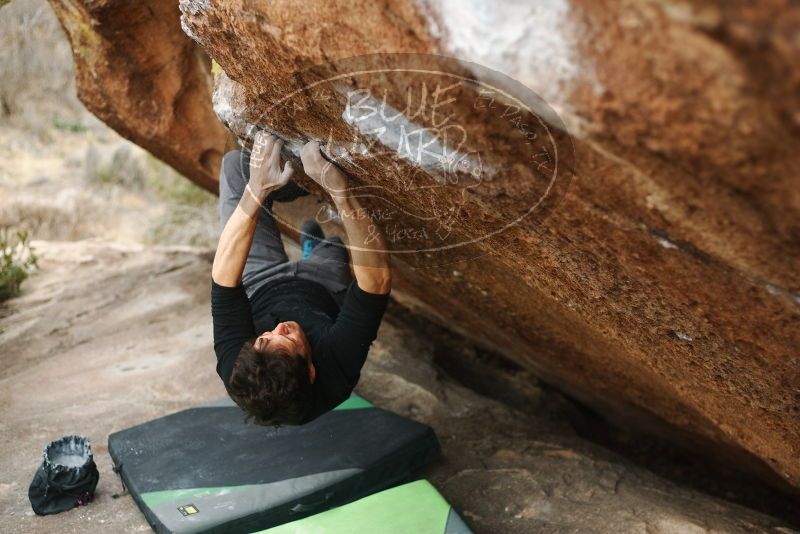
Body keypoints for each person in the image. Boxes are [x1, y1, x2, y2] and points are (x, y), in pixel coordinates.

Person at [211, 131, 392, 426]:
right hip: (320, 290)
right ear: (310, 371)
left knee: (236, 167)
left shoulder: (239, 368)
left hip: (260, 284)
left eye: (263, 338)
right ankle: (316, 247)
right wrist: (340, 192)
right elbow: (377, 282)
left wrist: (258, 188)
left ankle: (297, 179)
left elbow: (223, 279)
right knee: (336, 246)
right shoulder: (336, 370)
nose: (277, 328)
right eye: (285, 340)